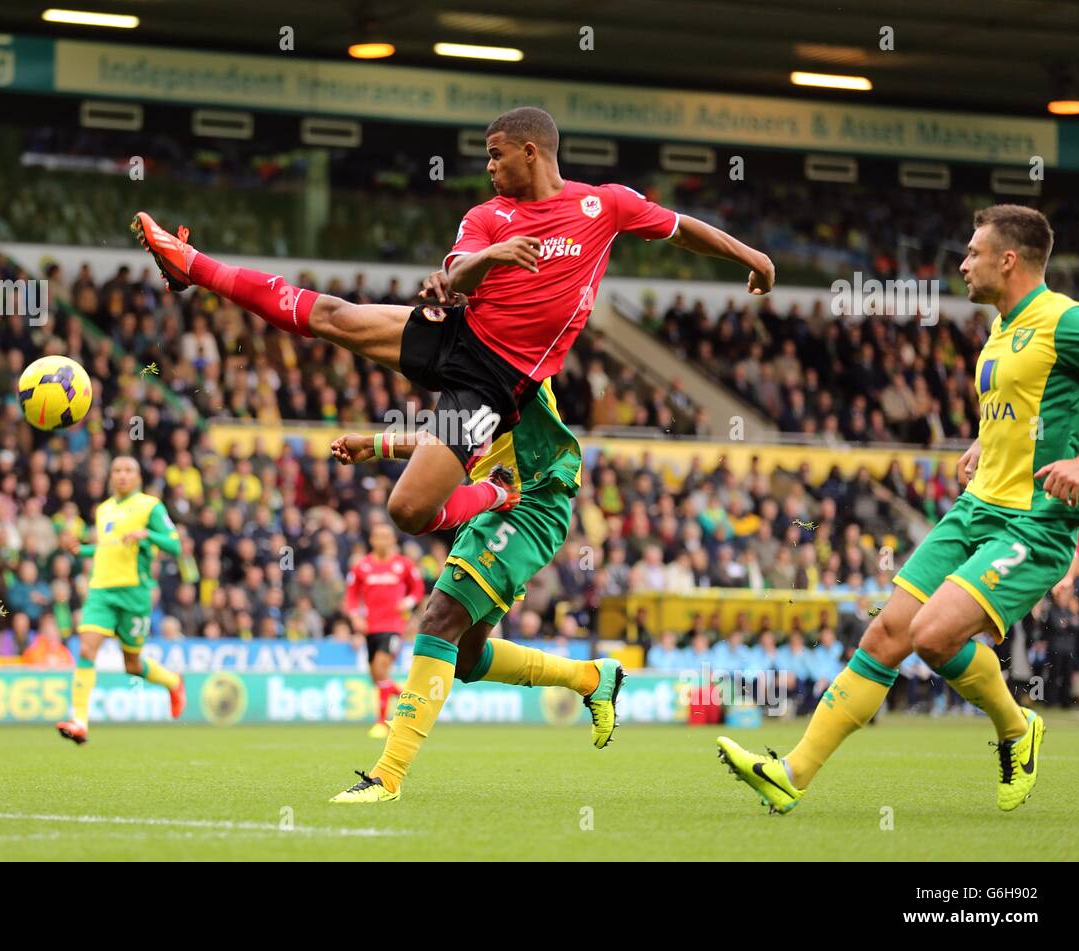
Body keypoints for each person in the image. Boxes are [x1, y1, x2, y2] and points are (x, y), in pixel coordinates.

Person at [133, 106, 773, 542]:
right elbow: (458, 273)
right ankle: (192, 265)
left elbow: (681, 228)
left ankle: (496, 492)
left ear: (531, 151)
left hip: (497, 384)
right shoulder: (489, 216)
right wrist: (479, 263)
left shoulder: (604, 205)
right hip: (460, 335)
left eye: (496, 156)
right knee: (330, 316)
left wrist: (750, 255)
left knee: (408, 511)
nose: (489, 167)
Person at [719, 204, 1079, 814]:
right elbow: (1031, 407)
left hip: (1035, 521)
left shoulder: (1066, 321)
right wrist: (986, 441)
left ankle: (1018, 729)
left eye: (972, 253)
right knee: (888, 632)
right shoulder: (1001, 328)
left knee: (932, 636)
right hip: (976, 510)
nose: (963, 264)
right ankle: (792, 773)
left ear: (1009, 259)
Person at [328, 273, 623, 803]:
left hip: (529, 498)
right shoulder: (471, 364)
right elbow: (446, 441)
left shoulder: (514, 354)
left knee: (439, 617)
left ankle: (386, 776)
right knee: (464, 658)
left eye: (461, 297)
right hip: (505, 495)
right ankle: (590, 677)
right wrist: (376, 443)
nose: (450, 306)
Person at [55, 456, 186, 744]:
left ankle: (174, 682)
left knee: (133, 665)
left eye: (128, 470)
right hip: (101, 590)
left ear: (138, 477)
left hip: (134, 594)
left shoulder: (150, 506)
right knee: (87, 650)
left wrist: (148, 534)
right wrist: (85, 551)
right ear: (110, 477)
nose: (122, 475)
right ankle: (79, 722)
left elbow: (175, 545)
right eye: (116, 471)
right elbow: (109, 549)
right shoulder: (104, 510)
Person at [345, 523, 426, 738]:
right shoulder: (361, 566)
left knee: (381, 668)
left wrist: (408, 602)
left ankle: (381, 723)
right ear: (372, 540)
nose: (382, 540)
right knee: (377, 678)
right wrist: (355, 617)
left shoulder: (404, 565)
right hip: (370, 626)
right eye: (378, 536)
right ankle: (410, 700)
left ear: (393, 540)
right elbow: (351, 595)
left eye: (386, 536)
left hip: (393, 627)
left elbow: (418, 589)